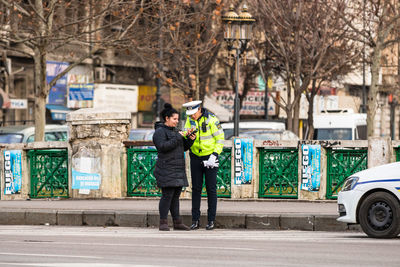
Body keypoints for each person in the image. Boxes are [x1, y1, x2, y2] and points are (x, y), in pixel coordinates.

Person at [152, 103, 197, 231]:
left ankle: (177, 222)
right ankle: (163, 222)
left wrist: (190, 140)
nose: (177, 122)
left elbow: (183, 147)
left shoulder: (176, 132)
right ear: (167, 118)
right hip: (166, 168)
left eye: (177, 119)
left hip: (177, 168)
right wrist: (179, 137)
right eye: (174, 119)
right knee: (167, 195)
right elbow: (163, 147)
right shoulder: (159, 132)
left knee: (176, 196)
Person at [182, 100, 224, 230]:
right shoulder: (190, 120)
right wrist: (187, 137)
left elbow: (220, 139)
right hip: (195, 157)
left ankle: (211, 220)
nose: (192, 116)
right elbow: (186, 135)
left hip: (210, 157)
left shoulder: (212, 120)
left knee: (211, 189)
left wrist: (215, 155)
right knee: (196, 189)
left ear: (199, 109)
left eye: (193, 113)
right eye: (190, 114)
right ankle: (195, 220)